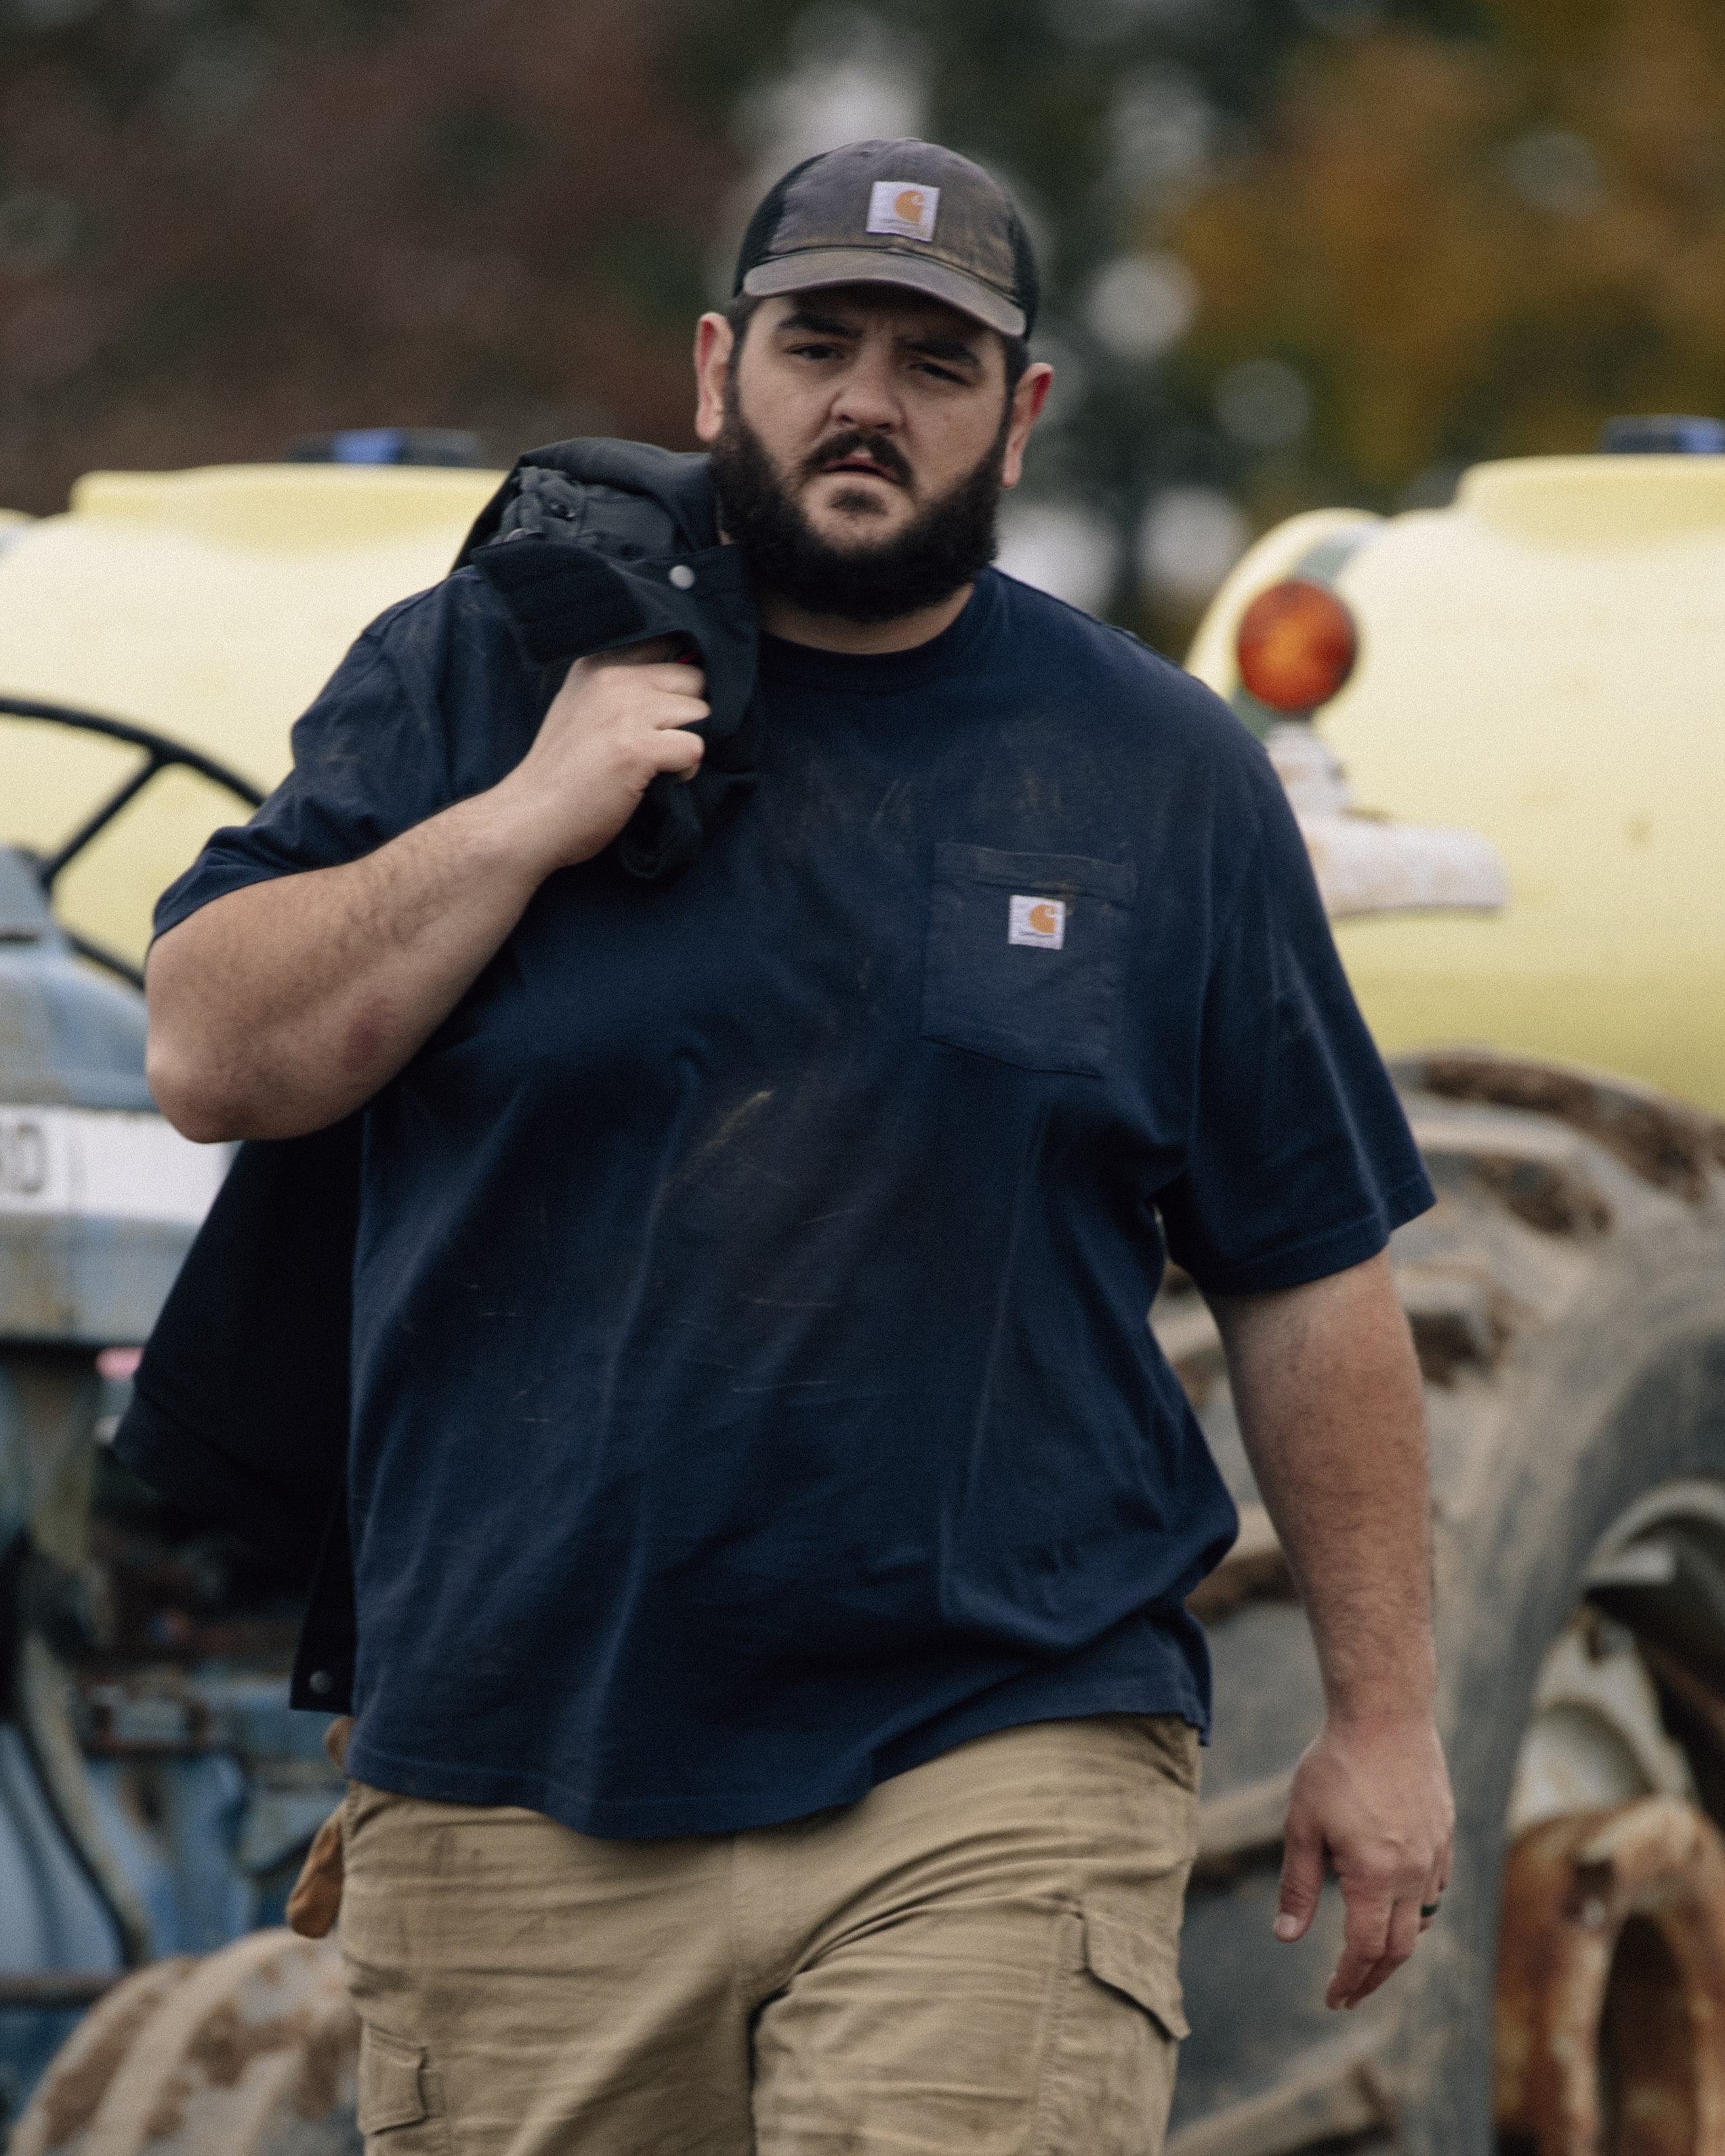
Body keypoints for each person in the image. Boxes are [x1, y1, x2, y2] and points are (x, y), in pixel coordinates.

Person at [145, 138, 1453, 2156]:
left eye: (934, 360)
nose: (867, 399)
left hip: (993, 1750)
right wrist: (523, 816)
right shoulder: (475, 672)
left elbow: (1306, 1264)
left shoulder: (1153, 775)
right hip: (511, 1769)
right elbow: (212, 1053)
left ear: (1015, 417)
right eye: (816, 341)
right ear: (710, 372)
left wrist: (1382, 1719)